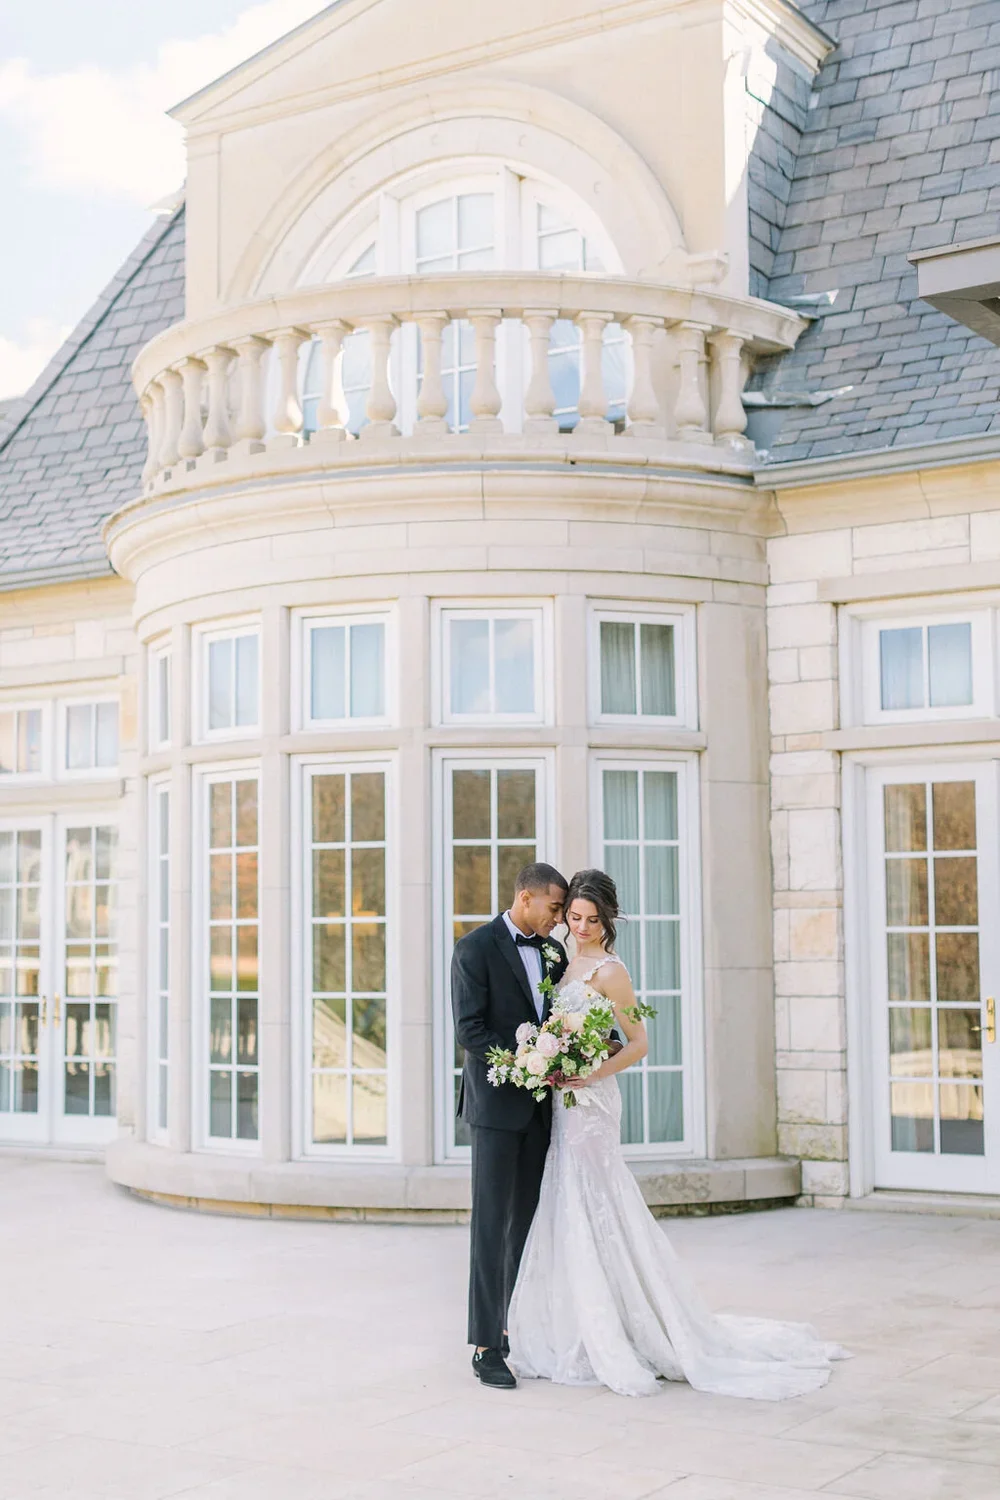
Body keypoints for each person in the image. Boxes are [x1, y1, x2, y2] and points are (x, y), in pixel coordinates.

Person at [507, 868, 849, 1400]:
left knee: (598, 1199)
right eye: (573, 917)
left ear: (607, 920)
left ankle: (631, 1327)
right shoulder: (560, 959)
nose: (580, 927)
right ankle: (573, 1325)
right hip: (563, 1102)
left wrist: (592, 1071)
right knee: (565, 1200)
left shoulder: (612, 972)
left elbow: (639, 1042)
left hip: (593, 1102)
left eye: (591, 920)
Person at [451, 862, 570, 1390]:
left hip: (543, 1109)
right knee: (491, 1226)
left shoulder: (554, 952)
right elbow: (469, 1030)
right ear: (526, 898)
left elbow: (560, 1019)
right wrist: (523, 1060)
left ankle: (519, 1326)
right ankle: (485, 1345)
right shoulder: (474, 949)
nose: (560, 919)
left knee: (528, 1221)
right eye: (554, 908)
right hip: (496, 1110)